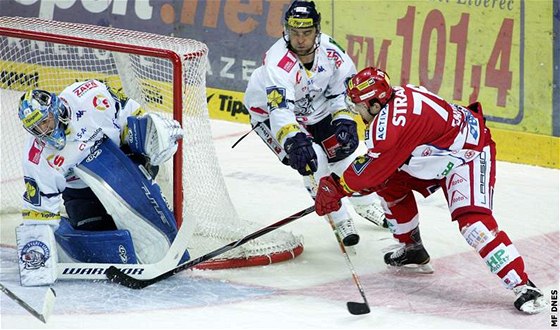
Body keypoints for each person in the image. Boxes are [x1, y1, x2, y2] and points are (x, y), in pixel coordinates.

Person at [313, 66, 548, 314]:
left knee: (473, 224)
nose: (356, 111)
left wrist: (338, 188)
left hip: (467, 155)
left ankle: (523, 285)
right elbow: (378, 168)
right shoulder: (392, 102)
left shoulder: (391, 127)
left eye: (358, 105)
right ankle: (412, 248)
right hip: (434, 155)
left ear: (374, 104)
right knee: (388, 181)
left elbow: (370, 170)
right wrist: (343, 187)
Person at [243, 0, 386, 247]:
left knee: (343, 150)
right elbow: (280, 110)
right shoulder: (278, 62)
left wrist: (344, 121)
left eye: (306, 33)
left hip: (314, 108)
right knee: (312, 158)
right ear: (286, 30)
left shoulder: (332, 52)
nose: (300, 39)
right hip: (269, 115)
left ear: (317, 31)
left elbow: (340, 92)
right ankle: (339, 218)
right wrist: (293, 140)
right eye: (294, 33)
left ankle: (365, 203)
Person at [16, 79, 186, 286]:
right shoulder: (36, 158)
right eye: (35, 128)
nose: (43, 131)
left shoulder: (90, 96)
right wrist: (38, 254)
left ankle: (164, 234)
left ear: (55, 108)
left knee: (144, 223)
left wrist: (156, 134)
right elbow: (42, 209)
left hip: (120, 163)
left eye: (45, 121)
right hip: (80, 191)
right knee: (101, 241)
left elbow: (135, 120)